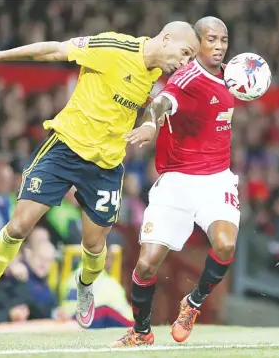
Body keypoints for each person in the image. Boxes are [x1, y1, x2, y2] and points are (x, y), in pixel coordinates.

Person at [0, 22, 200, 329]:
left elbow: (152, 104)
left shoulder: (154, 74)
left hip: (105, 166)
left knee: (94, 246)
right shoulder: (113, 48)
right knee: (20, 224)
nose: (186, 62)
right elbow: (54, 49)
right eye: (185, 53)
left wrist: (150, 124)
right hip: (64, 148)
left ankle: (84, 285)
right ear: (167, 38)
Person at [112, 17, 238, 346]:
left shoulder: (235, 77)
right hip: (177, 181)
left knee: (225, 244)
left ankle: (192, 303)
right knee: (147, 263)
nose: (220, 46)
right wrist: (152, 125)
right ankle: (141, 332)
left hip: (216, 179)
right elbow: (161, 102)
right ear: (197, 44)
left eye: (224, 39)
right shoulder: (186, 77)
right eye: (212, 39)